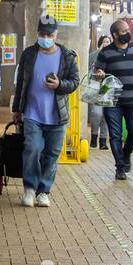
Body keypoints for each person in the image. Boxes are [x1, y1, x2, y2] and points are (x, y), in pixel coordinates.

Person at [11, 15, 79, 208]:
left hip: (57, 116)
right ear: (37, 33)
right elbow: (21, 85)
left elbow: (74, 82)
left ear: (56, 34)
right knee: (32, 148)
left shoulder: (67, 56)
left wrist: (59, 85)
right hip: (32, 113)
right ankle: (30, 189)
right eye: (42, 33)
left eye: (50, 34)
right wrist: (17, 109)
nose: (46, 37)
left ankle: (44, 191)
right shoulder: (28, 54)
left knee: (51, 154)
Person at [92, 19, 133, 180]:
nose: (128, 33)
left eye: (128, 30)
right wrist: (99, 73)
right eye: (124, 31)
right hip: (113, 101)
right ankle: (120, 167)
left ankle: (125, 156)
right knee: (115, 135)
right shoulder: (105, 52)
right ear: (115, 34)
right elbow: (98, 72)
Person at [87, 34, 112, 150]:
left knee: (106, 115)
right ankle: (93, 136)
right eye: (104, 41)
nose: (106, 43)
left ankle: (103, 141)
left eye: (108, 41)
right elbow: (88, 70)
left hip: (108, 88)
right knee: (96, 113)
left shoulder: (112, 56)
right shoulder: (93, 56)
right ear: (100, 43)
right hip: (94, 87)